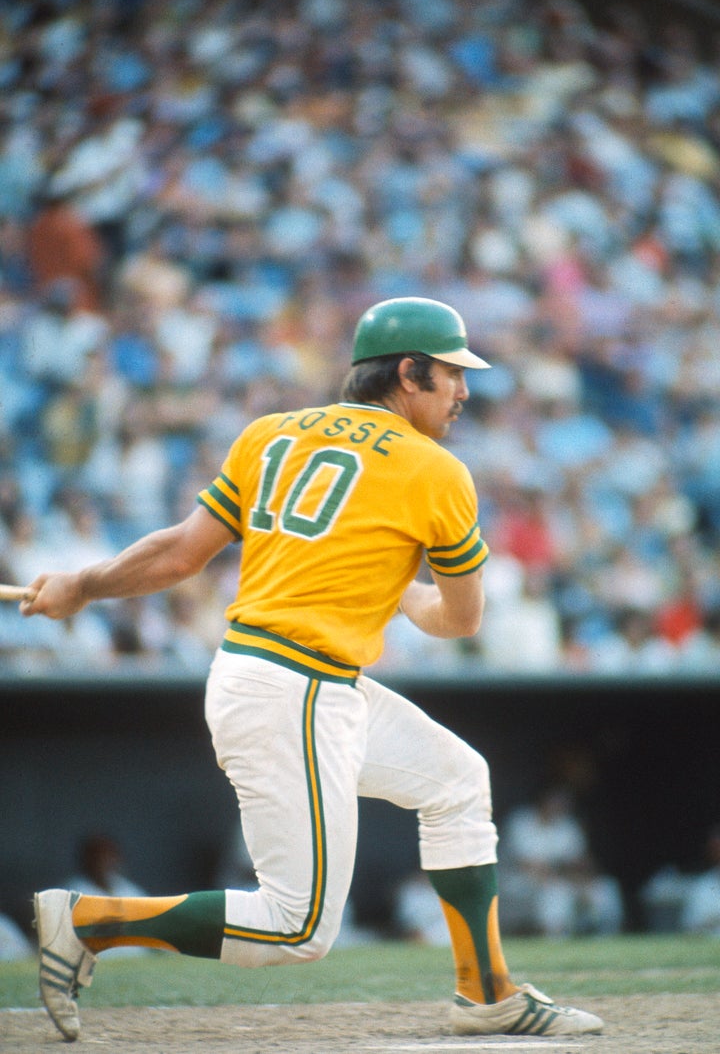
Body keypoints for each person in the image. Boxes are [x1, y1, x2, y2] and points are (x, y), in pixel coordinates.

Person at [23, 297, 602, 1042]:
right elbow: (461, 620)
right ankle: (88, 919)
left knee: (460, 780)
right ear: (408, 372)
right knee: (298, 927)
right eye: (453, 373)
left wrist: (83, 583)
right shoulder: (437, 470)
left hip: (294, 682)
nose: (464, 390)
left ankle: (487, 991)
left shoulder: (273, 433)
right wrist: (406, 595)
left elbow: (178, 553)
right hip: (293, 689)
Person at [499, 786, 624, 937]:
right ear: (543, 801)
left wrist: (581, 880)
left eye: (564, 803)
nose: (559, 806)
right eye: (555, 801)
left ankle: (606, 936)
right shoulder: (520, 820)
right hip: (517, 881)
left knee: (605, 887)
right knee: (556, 891)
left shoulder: (568, 825)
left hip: (558, 879)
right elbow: (528, 865)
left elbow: (579, 862)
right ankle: (554, 937)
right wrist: (562, 877)